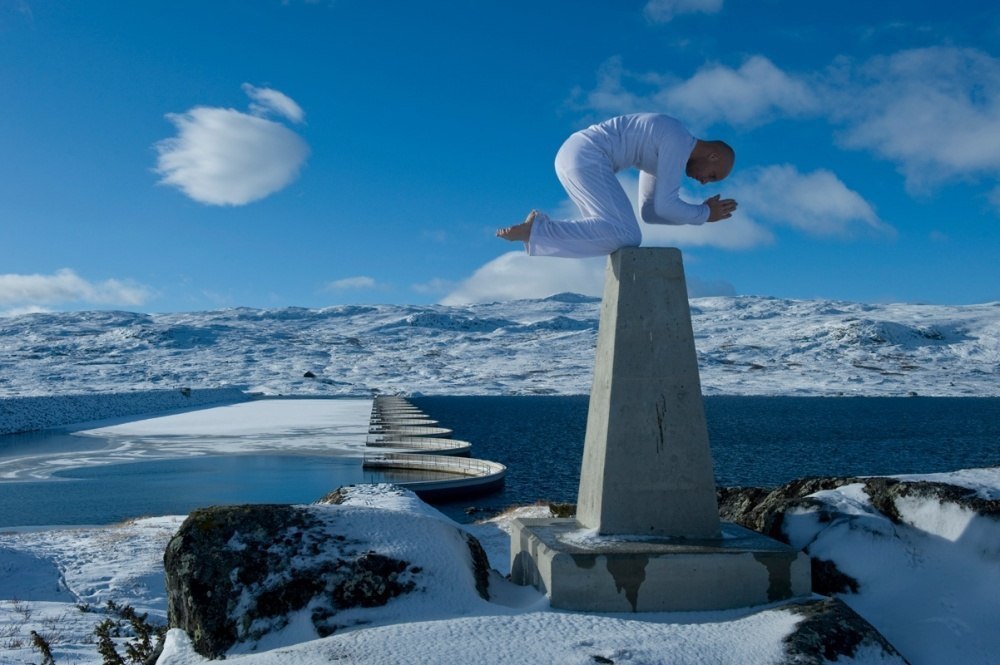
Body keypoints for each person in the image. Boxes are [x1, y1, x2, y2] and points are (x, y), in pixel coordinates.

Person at [497, 113, 737, 258]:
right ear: (713, 156)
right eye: (713, 175)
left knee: (614, 232)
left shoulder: (665, 150)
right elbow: (666, 206)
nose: (705, 182)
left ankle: (537, 230)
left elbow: (651, 212)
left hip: (573, 156)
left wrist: (701, 213)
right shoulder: (677, 139)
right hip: (587, 156)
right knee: (627, 235)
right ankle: (537, 230)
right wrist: (705, 213)